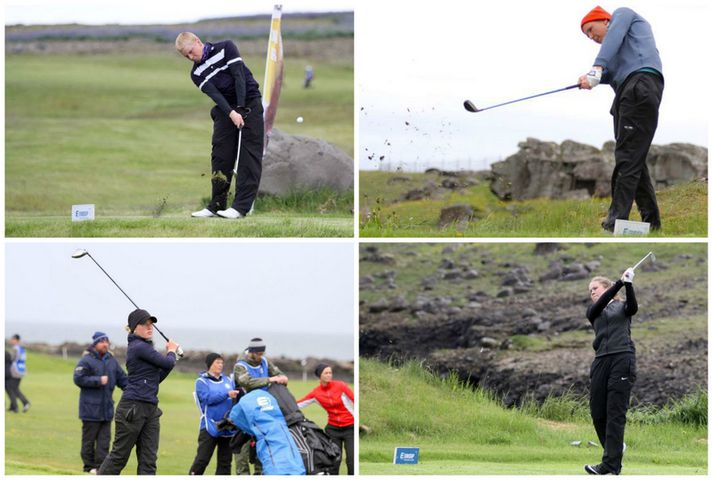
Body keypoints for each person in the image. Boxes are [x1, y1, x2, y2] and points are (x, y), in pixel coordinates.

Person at [578, 6, 664, 232]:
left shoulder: (623, 15)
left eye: (590, 29)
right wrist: (590, 79)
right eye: (586, 35)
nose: (591, 36)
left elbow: (609, 49)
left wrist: (596, 67)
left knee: (627, 158)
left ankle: (614, 223)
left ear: (604, 20)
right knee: (634, 159)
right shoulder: (614, 52)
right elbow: (610, 73)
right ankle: (652, 225)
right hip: (628, 92)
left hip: (640, 85)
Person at [175, 32, 264, 220]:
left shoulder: (226, 48)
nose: (191, 57)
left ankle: (240, 207)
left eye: (191, 52)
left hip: (249, 101)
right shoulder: (196, 73)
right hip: (226, 108)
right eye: (186, 56)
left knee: (249, 155)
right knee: (221, 154)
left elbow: (239, 76)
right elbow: (216, 95)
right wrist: (232, 113)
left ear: (198, 42)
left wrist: (240, 109)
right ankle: (216, 205)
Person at [98, 309, 180, 475]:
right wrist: (172, 350)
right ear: (135, 328)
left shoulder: (146, 348)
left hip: (150, 408)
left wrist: (173, 357)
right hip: (133, 408)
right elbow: (166, 362)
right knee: (119, 457)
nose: (150, 328)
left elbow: (156, 378)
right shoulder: (138, 347)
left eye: (151, 324)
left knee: (148, 461)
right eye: (145, 324)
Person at [584, 269, 637, 475]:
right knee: (597, 412)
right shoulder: (593, 310)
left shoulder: (622, 307)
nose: (592, 293)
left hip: (622, 358)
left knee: (615, 413)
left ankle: (610, 465)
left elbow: (633, 308)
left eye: (595, 288)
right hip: (600, 361)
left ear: (605, 288)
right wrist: (619, 283)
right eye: (590, 291)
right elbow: (599, 304)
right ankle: (615, 448)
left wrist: (629, 284)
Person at [73, 332, 128, 474]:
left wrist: (135, 389)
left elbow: (123, 380)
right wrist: (97, 380)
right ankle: (88, 467)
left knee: (104, 443)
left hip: (107, 410)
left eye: (106, 341)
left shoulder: (112, 361)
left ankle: (100, 469)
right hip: (90, 410)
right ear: (95, 344)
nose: (105, 344)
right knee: (88, 442)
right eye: (102, 341)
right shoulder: (86, 360)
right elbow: (78, 378)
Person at [233, 338, 288, 475]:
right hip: (244, 413)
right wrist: (270, 379)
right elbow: (247, 382)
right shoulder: (240, 365)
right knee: (242, 451)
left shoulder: (264, 360)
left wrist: (282, 377)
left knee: (262, 446)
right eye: (258, 354)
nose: (260, 356)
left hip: (262, 410)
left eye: (262, 353)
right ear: (251, 352)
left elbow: (277, 373)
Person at [297, 364, 355, 475]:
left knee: (351, 461)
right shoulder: (316, 393)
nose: (329, 375)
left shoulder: (341, 386)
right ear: (320, 376)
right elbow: (298, 404)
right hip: (333, 430)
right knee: (334, 461)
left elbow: (354, 400)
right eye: (326, 373)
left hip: (350, 428)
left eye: (330, 372)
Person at [189, 353, 240, 475]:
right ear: (210, 364)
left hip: (227, 427)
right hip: (209, 427)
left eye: (222, 362)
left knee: (225, 463)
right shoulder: (201, 382)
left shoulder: (228, 380)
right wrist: (227, 394)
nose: (220, 365)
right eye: (217, 362)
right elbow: (207, 399)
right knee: (202, 460)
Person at [7, 334, 30, 413]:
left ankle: (22, 404)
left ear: (16, 340)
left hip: (15, 371)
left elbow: (11, 358)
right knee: (14, 388)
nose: (11, 341)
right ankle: (14, 406)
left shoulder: (15, 349)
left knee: (12, 388)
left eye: (12, 339)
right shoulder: (22, 349)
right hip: (21, 370)